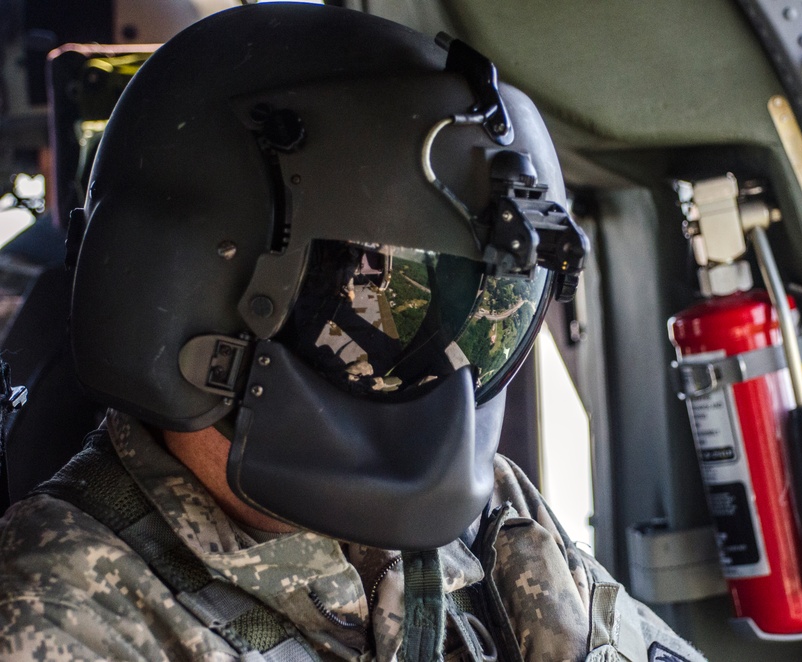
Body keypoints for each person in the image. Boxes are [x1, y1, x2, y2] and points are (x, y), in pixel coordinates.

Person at [0, 5, 706, 661]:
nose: (447, 401)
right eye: (377, 302)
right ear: (179, 289)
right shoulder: (56, 611)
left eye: (489, 323)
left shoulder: (493, 513)